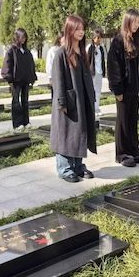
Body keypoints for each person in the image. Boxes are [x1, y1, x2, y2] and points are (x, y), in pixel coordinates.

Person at [50, 15, 96, 182]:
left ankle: (77, 165)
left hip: (82, 100)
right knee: (66, 134)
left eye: (82, 29)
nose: (81, 32)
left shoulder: (82, 53)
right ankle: (65, 168)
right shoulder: (61, 53)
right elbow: (58, 80)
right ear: (69, 30)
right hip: (68, 101)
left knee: (79, 132)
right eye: (77, 29)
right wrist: (62, 102)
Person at [107, 9, 139, 167]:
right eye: (134, 22)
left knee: (132, 121)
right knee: (123, 121)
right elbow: (113, 67)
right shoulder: (118, 41)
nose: (136, 25)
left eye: (138, 22)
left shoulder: (137, 40)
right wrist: (117, 89)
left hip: (135, 89)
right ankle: (122, 154)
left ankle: (134, 150)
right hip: (124, 90)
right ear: (127, 22)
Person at [1, 28, 37, 131]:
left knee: (25, 101)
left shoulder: (26, 51)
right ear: (17, 37)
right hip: (15, 81)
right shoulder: (12, 50)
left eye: (25, 37)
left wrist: (32, 77)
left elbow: (31, 65)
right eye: (22, 37)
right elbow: (7, 64)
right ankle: (17, 123)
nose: (23, 39)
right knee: (16, 101)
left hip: (25, 81)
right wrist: (9, 77)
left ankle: (26, 121)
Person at [86, 28, 106, 116]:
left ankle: (97, 108)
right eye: (98, 38)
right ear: (93, 38)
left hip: (99, 72)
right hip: (92, 73)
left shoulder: (101, 48)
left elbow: (103, 60)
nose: (99, 40)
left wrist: (104, 71)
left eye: (100, 38)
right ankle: (91, 109)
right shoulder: (89, 48)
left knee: (98, 91)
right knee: (92, 91)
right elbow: (86, 61)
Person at [46, 31, 64, 98]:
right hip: (56, 76)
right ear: (59, 39)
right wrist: (50, 77)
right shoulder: (53, 50)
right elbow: (49, 65)